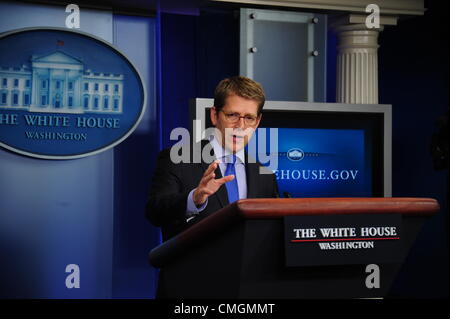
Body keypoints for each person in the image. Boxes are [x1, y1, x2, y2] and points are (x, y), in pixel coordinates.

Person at [146, 76, 279, 242]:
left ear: (257, 121)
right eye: (233, 115)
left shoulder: (265, 174)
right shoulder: (177, 159)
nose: (241, 126)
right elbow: (155, 212)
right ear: (215, 115)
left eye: (249, 118)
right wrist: (194, 199)